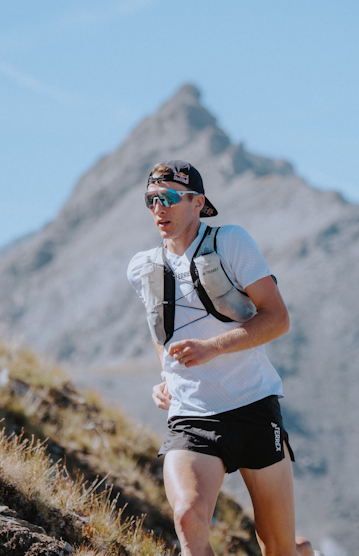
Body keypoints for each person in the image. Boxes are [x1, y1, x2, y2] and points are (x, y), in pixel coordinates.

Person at [127, 160, 317, 556]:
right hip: (191, 415)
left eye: (170, 198)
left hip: (252, 407)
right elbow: (161, 327)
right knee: (187, 518)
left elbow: (277, 318)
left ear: (197, 203)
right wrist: (167, 375)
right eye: (151, 200)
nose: (159, 208)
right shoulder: (142, 267)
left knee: (278, 546)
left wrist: (213, 348)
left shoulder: (230, 241)